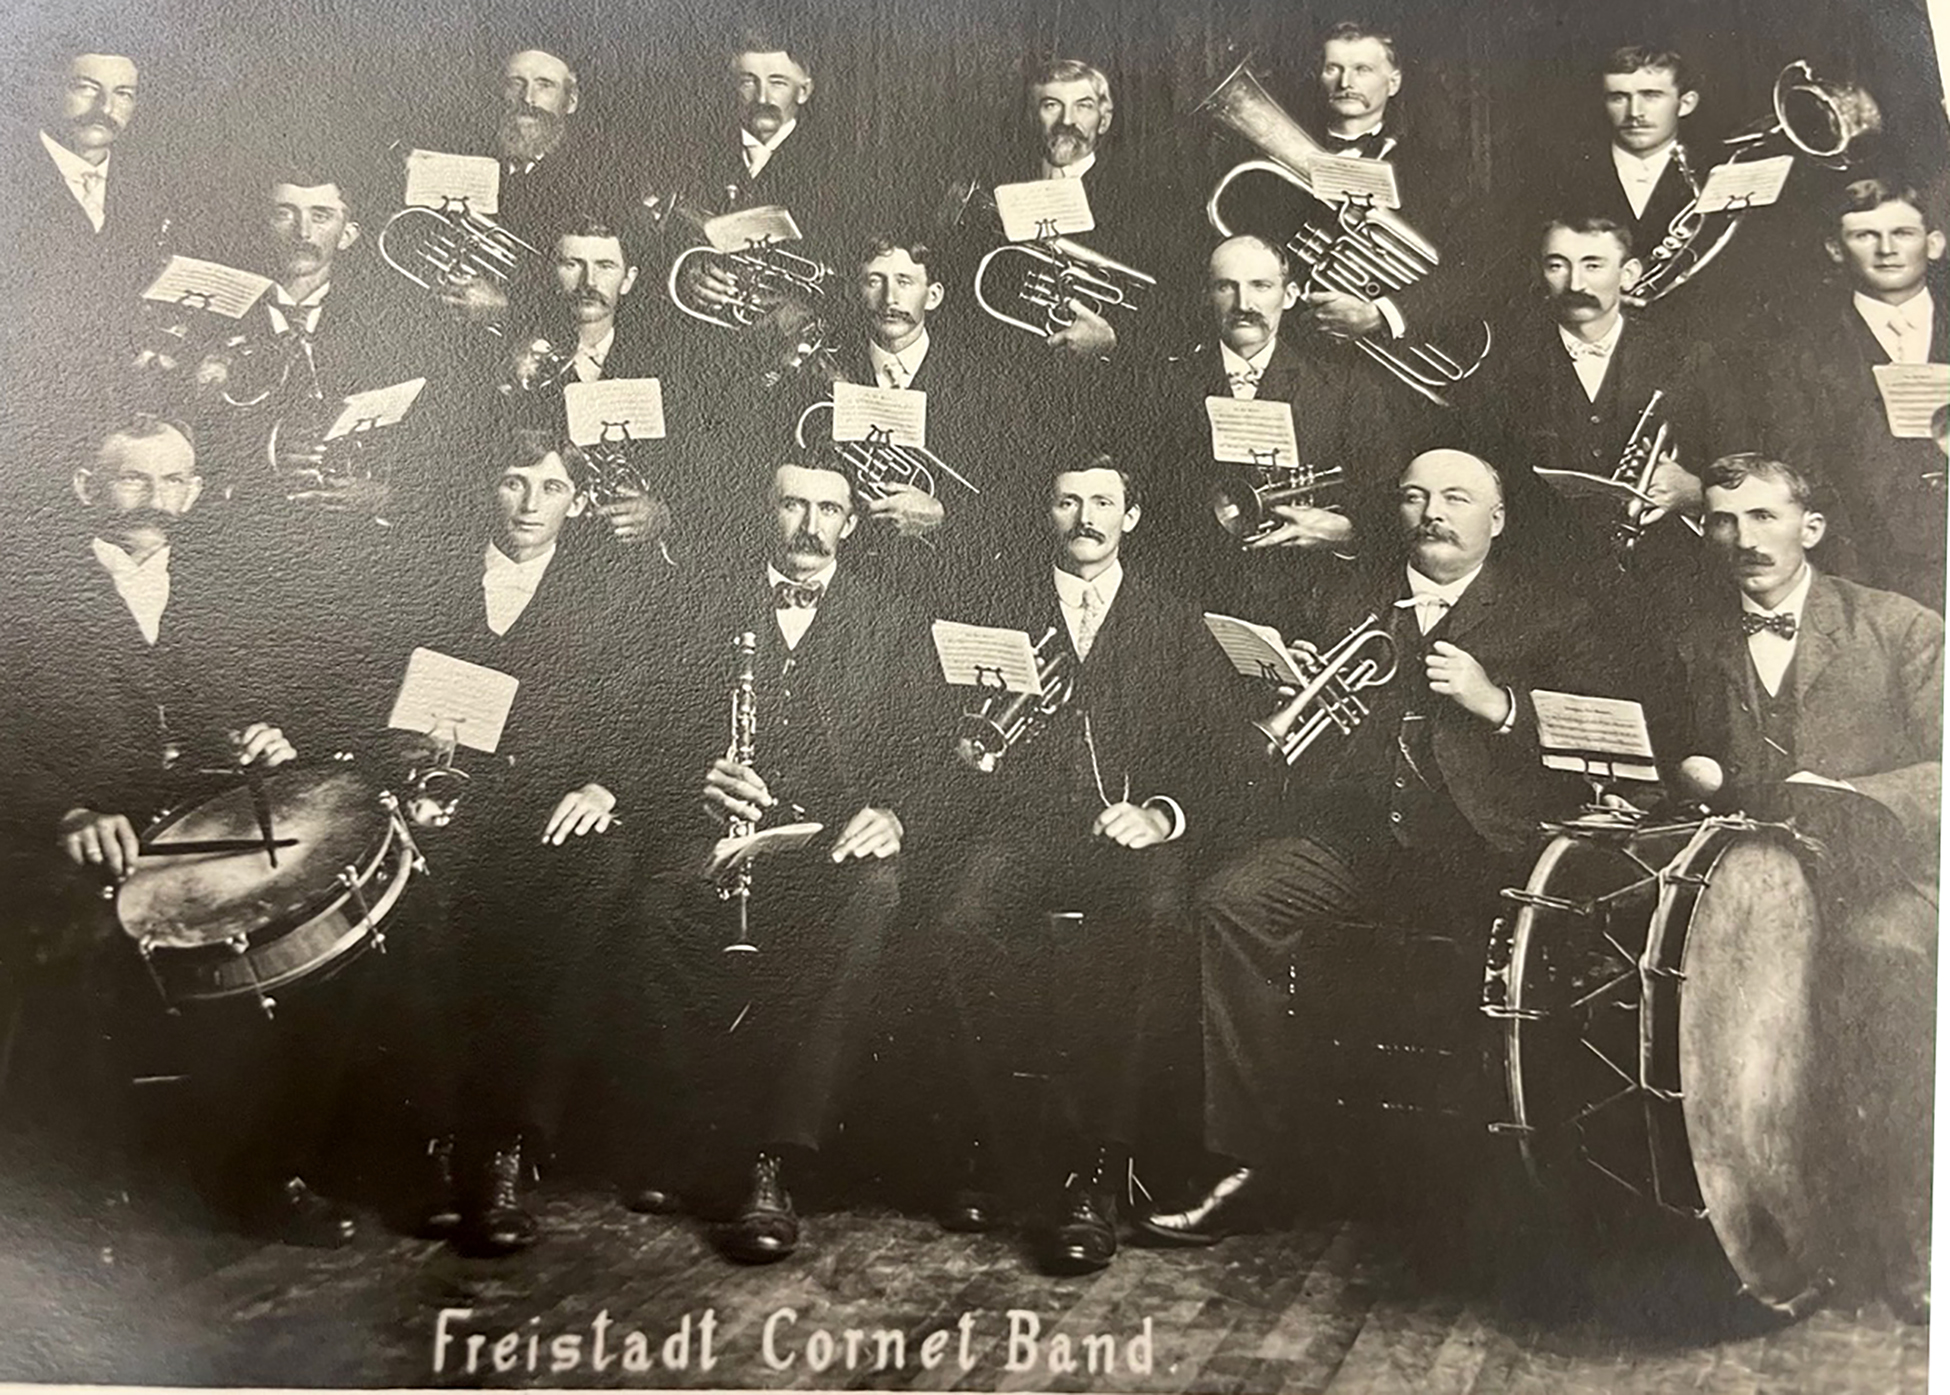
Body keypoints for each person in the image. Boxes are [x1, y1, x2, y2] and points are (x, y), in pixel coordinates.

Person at [1138, 448, 1612, 1244]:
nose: (1434, 511)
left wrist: (1497, 703)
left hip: (1480, 848)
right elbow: (1307, 736)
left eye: (1457, 497)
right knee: (1231, 899)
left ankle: (1478, 1183)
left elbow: (1589, 741)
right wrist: (1292, 688)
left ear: (1495, 521)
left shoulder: (1554, 611)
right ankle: (1257, 1159)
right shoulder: (1348, 594)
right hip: (1354, 839)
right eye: (1416, 497)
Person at [0, 416, 358, 1247]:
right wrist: (68, 813)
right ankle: (78, 1194)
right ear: (87, 488)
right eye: (131, 478)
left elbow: (269, 699)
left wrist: (267, 735)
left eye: (171, 481)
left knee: (299, 926)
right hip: (52, 831)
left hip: (192, 822)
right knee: (82, 934)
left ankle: (259, 1171)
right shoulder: (20, 582)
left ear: (194, 493)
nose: (153, 499)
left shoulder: (232, 588)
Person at [922, 451, 1242, 1274]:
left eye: (1104, 502)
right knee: (960, 922)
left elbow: (1218, 756)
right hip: (1023, 831)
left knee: (1157, 921)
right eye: (1069, 502)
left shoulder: (1177, 620)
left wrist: (1162, 814)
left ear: (1132, 517)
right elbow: (949, 729)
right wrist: (968, 752)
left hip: (1130, 838)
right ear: (1047, 513)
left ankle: (1099, 1165)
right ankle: (999, 1147)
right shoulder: (996, 609)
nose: (1087, 518)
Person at [614, 455, 937, 1264]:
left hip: (831, 843)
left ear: (852, 523)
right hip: (727, 831)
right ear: (770, 510)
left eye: (829, 509)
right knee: (657, 910)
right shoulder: (701, 602)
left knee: (874, 898)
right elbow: (645, 725)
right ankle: (707, 1134)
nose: (809, 526)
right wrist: (701, 774)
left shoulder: (890, 617)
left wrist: (894, 811)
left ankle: (775, 1158)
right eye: (794, 506)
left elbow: (926, 749)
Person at [376, 426, 646, 1257]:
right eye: (514, 482)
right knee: (408, 899)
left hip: (553, 810)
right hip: (444, 805)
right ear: (489, 489)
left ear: (579, 500)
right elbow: (366, 690)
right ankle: (440, 1139)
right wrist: (409, 758)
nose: (530, 505)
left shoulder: (618, 590)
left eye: (552, 488)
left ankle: (508, 1151)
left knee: (591, 886)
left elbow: (648, 712)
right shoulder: (421, 573)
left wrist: (605, 785)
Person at [1466, 212, 1748, 622]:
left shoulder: (1689, 358)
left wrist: (1695, 492)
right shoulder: (1503, 363)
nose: (1576, 284)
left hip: (1669, 583)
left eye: (1593, 265)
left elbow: (1743, 468)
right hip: (1541, 584)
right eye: (1557, 265)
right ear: (1539, 272)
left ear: (1629, 273)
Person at [1144, 233, 1399, 614]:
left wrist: (1345, 532)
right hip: (1191, 598)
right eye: (1225, 287)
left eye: (1261, 286)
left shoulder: (1345, 386)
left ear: (1291, 294)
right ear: (1206, 296)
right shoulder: (1166, 383)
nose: (1243, 304)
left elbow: (1385, 502)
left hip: (1308, 600)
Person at [785, 233, 1041, 600]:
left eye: (905, 282)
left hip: (940, 587)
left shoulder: (988, 386)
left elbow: (1018, 502)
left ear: (932, 295)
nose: (890, 298)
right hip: (840, 589)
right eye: (875, 281)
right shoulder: (821, 369)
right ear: (855, 293)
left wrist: (943, 515)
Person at [0, 49, 173, 512]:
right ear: (48, 89)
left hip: (109, 430)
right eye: (87, 88)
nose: (105, 108)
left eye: (123, 95)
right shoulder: (8, 176)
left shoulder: (147, 190)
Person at [1764, 178, 1948, 609]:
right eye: (1865, 235)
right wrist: (1856, 584)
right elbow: (1804, 474)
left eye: (1902, 233)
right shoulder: (1798, 350)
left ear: (1934, 243)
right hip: (1864, 574)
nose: (1887, 249)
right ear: (1834, 249)